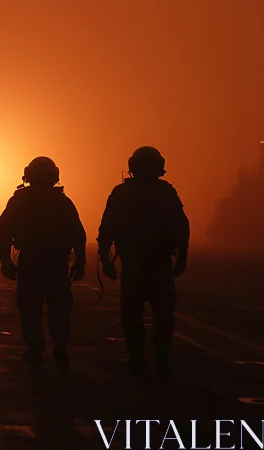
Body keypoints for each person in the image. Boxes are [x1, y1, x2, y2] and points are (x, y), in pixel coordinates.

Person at [97, 146, 189, 378]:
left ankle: (137, 359)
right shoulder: (166, 192)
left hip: (134, 265)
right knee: (163, 316)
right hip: (160, 265)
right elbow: (181, 227)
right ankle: (161, 361)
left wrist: (105, 259)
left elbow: (107, 228)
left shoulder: (121, 193)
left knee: (132, 315)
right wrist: (183, 256)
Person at [0, 156, 87, 373]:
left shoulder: (19, 201)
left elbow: (4, 233)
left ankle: (36, 349)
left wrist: (5, 261)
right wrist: (80, 261)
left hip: (30, 264)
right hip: (56, 265)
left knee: (30, 309)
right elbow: (78, 234)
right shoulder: (62, 202)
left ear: (28, 176)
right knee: (59, 310)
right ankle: (59, 347)